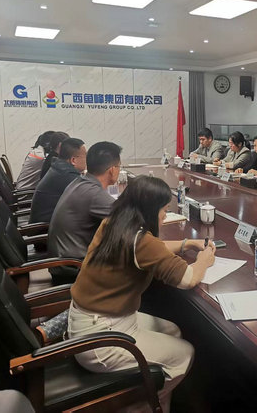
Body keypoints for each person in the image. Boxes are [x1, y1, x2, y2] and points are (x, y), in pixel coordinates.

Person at [68, 175, 216, 412]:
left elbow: (153, 249)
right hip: (101, 339)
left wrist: (186, 243)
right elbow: (188, 278)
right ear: (149, 209)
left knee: (173, 331)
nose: (164, 216)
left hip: (89, 323)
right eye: (163, 210)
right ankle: (140, 405)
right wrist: (204, 260)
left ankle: (158, 400)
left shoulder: (115, 223)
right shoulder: (139, 240)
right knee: (185, 354)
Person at [47, 141, 121, 284]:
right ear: (112, 170)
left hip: (64, 264)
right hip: (73, 270)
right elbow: (128, 219)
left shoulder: (81, 182)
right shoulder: (93, 193)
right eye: (119, 166)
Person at [29, 138, 86, 224]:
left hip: (49, 223)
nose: (87, 160)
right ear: (73, 160)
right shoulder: (67, 175)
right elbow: (89, 201)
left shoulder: (59, 168)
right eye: (85, 156)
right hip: (44, 228)